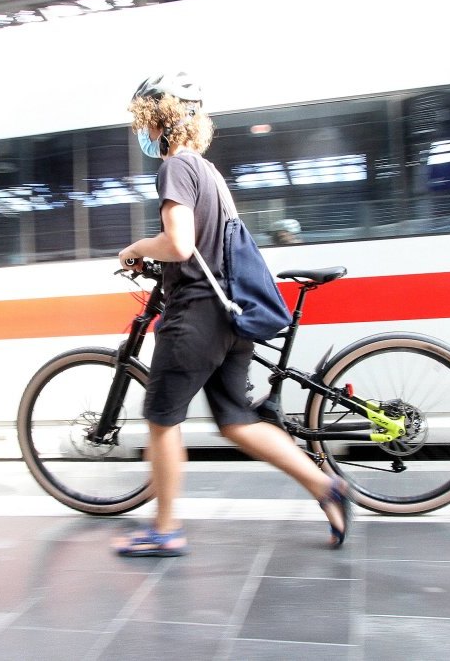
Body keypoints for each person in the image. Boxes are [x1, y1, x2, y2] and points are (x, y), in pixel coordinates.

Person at [113, 71, 349, 557]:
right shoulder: (209, 171)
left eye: (143, 120)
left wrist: (135, 248)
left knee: (161, 417)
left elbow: (180, 244)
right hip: (230, 315)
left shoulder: (176, 168)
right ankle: (327, 487)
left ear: (157, 117)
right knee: (237, 419)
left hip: (196, 314)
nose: (142, 131)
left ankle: (164, 529)